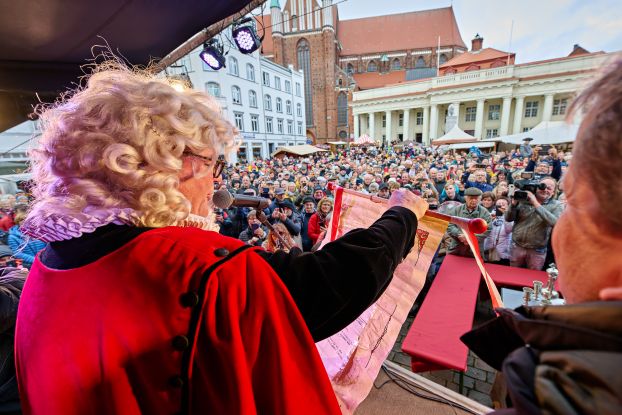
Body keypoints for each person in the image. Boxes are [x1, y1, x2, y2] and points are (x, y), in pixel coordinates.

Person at [14, 62, 428, 415]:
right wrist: (403, 214)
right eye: (212, 163)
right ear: (174, 166)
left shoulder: (47, 265)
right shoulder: (205, 268)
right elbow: (335, 280)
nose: (216, 180)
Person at [462, 56, 622, 415]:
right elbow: (507, 218)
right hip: (519, 242)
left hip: (533, 250)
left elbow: (550, 221)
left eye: (574, 201)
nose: (565, 219)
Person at [506, 176, 563, 270]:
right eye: (542, 186)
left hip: (537, 250)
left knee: (532, 278)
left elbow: (555, 223)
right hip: (517, 246)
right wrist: (513, 205)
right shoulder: (523, 198)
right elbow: (508, 218)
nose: (545, 190)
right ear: (536, 187)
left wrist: (535, 203)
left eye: (549, 188)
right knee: (514, 274)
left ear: (553, 192)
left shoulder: (556, 205)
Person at [446, 187, 492, 257]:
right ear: (465, 198)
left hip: (475, 249)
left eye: (476, 198)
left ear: (479, 199)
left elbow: (487, 228)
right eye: (471, 198)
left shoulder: (484, 212)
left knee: (473, 267)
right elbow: (449, 224)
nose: (473, 201)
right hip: (457, 248)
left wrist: (470, 237)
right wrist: (459, 234)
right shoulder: (457, 210)